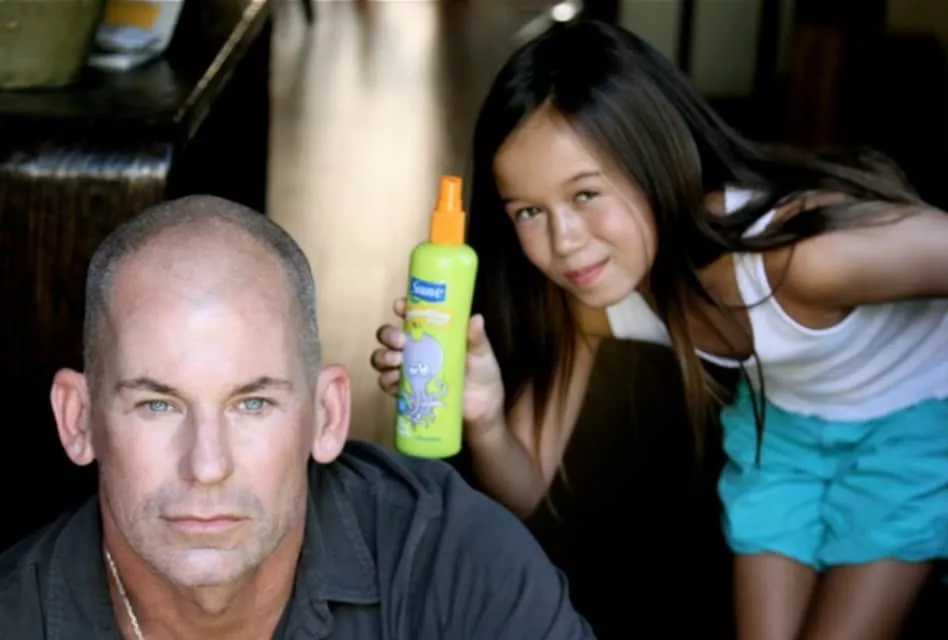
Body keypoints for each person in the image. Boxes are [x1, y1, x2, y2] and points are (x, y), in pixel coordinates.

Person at [371, 19, 948, 640]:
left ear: (654, 158)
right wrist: (483, 417)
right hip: (787, 426)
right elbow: (526, 487)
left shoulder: (803, 259)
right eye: (530, 212)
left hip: (911, 422)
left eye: (585, 195)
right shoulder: (591, 302)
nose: (565, 242)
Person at [0, 195, 595, 640]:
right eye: (157, 405)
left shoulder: (459, 571)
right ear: (78, 420)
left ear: (327, 415)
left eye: (252, 403)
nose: (206, 465)